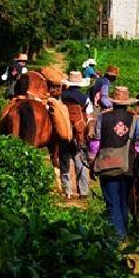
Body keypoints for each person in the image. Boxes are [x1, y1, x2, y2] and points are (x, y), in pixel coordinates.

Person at [89, 86, 139, 240]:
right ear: (127, 103)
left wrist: (92, 160)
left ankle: (117, 235)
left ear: (113, 102)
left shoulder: (102, 117)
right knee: (123, 200)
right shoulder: (134, 120)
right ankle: (123, 231)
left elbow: (96, 142)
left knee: (112, 201)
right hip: (127, 165)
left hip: (107, 164)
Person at [59, 71, 92, 199]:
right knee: (80, 161)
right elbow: (89, 118)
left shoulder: (62, 96)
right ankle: (83, 191)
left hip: (65, 132)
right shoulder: (85, 99)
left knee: (64, 161)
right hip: (78, 134)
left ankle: (67, 190)